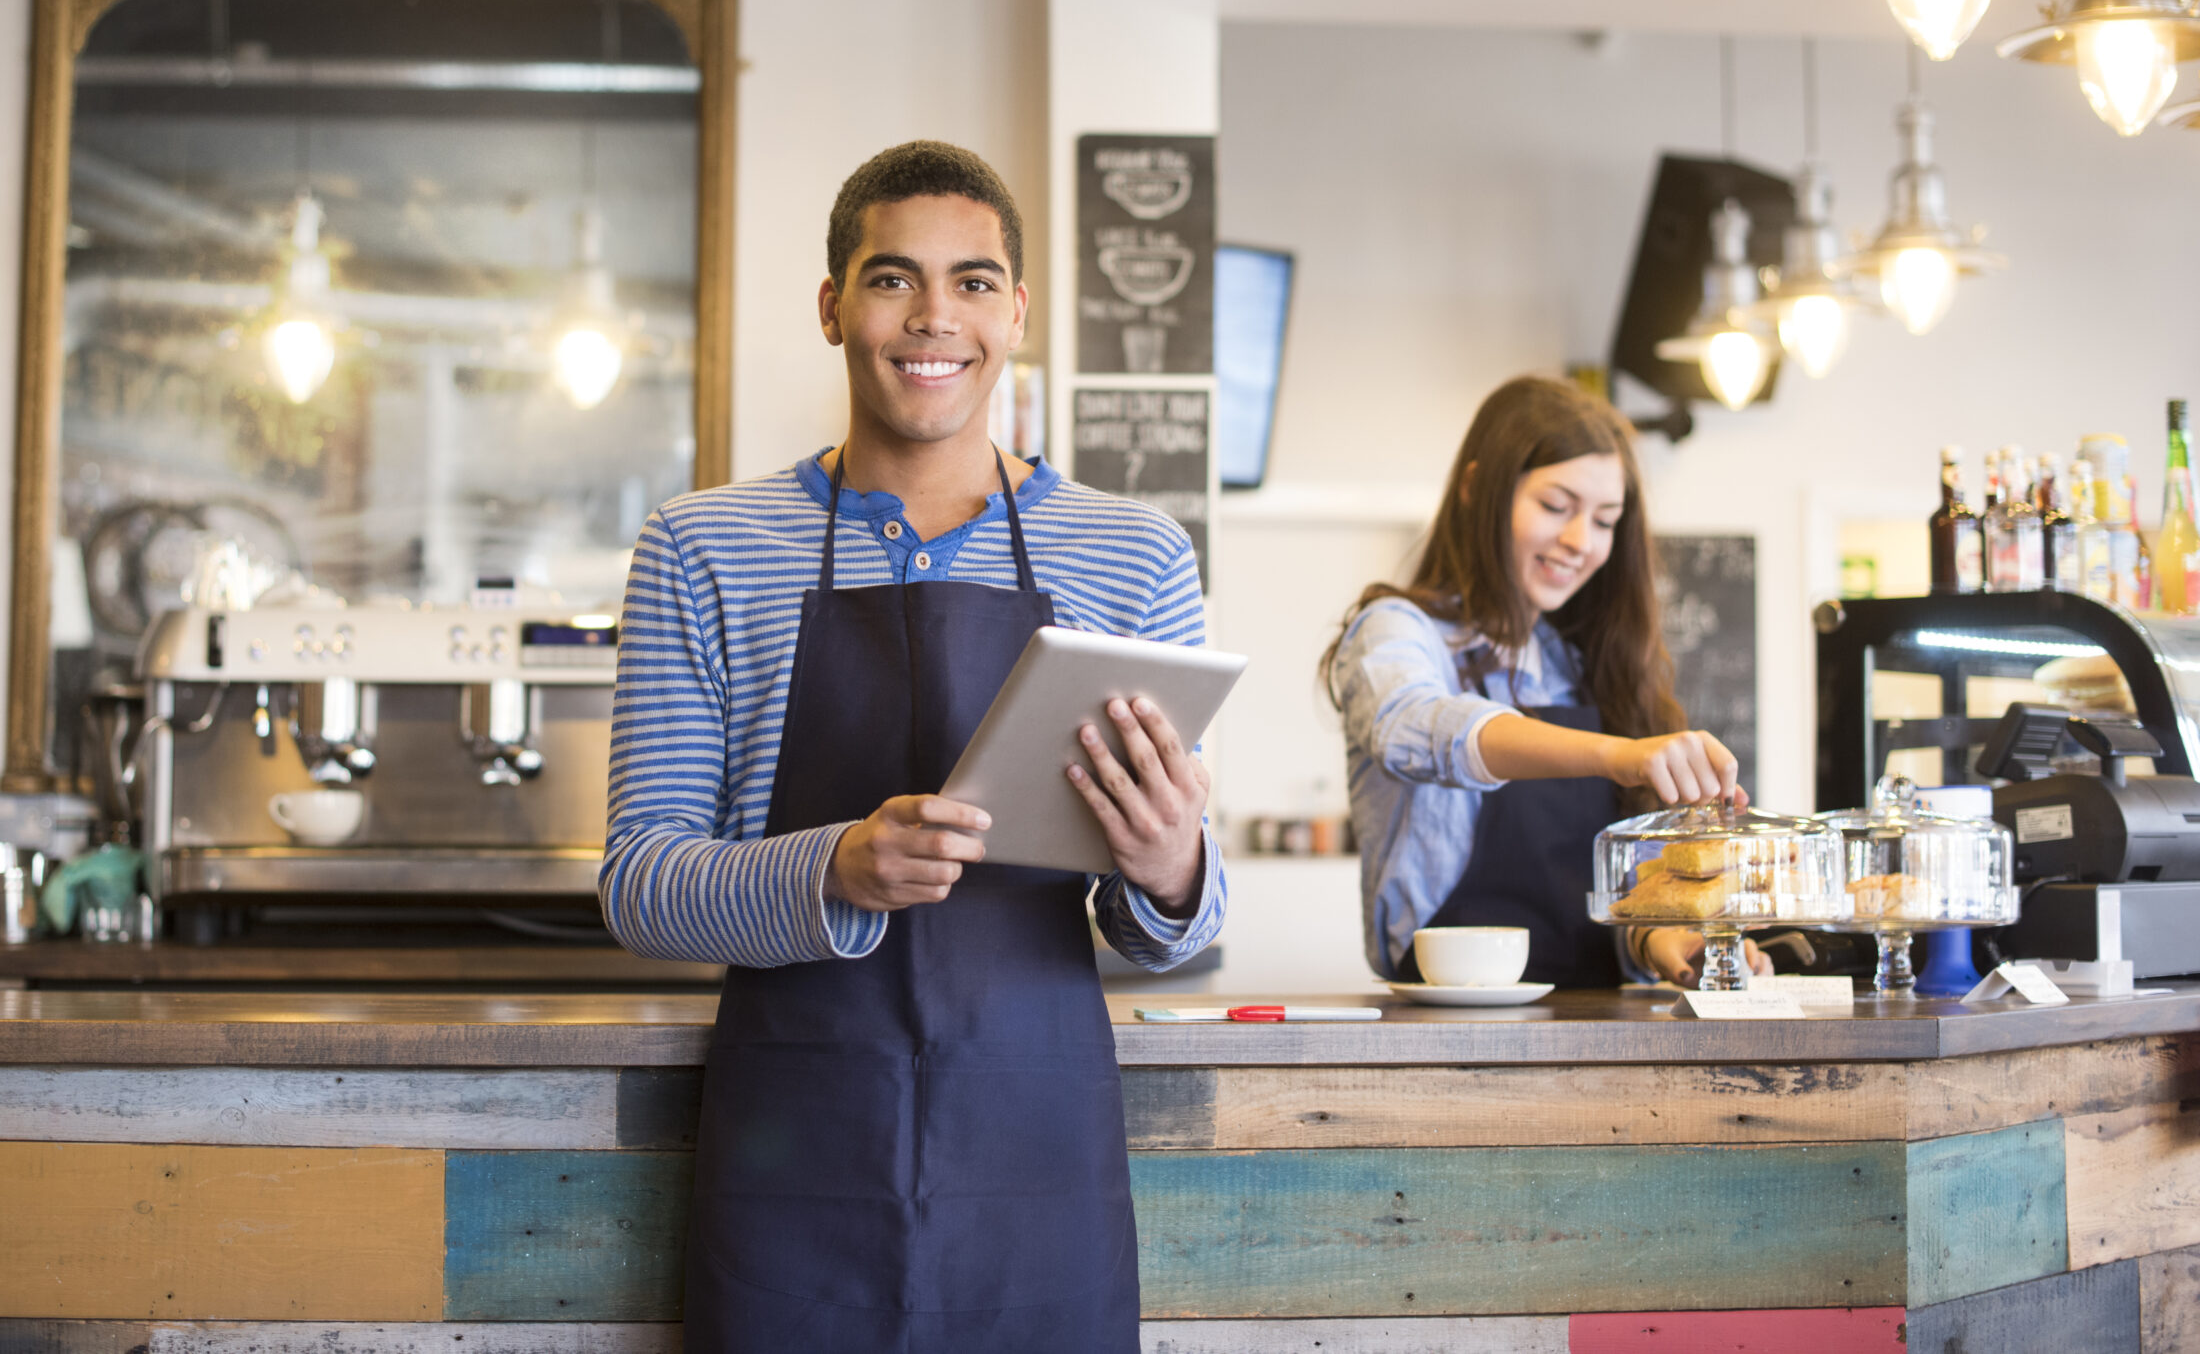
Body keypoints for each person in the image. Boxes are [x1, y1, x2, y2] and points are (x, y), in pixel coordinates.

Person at [601, 140, 1226, 1354]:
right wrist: (835, 867)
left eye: (975, 282)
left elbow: (1182, 934)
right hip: (797, 1164)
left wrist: (1168, 863)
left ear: (1017, 314)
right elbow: (638, 884)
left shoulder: (1135, 558)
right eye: (892, 279)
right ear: (833, 305)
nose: (935, 316)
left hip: (1036, 1162)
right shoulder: (702, 547)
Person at [1321, 375, 1764, 989]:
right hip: (1446, 1026)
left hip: (1594, 1027)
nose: (1581, 541)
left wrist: (1658, 937)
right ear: (1478, 488)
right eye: (1556, 506)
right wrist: (1617, 755)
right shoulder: (1399, 632)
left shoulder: (1573, 662)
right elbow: (1413, 724)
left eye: (1605, 520)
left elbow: (1594, 902)